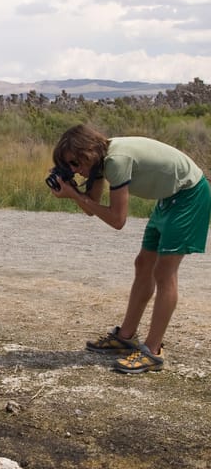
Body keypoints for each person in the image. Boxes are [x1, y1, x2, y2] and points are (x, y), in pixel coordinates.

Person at [50, 123, 210, 373]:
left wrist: (75, 196)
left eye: (75, 163)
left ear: (88, 152)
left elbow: (117, 220)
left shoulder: (115, 161)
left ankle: (153, 351)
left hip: (190, 195)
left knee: (164, 273)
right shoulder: (101, 162)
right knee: (143, 264)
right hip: (170, 198)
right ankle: (125, 337)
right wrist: (71, 190)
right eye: (68, 165)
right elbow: (92, 207)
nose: (75, 170)